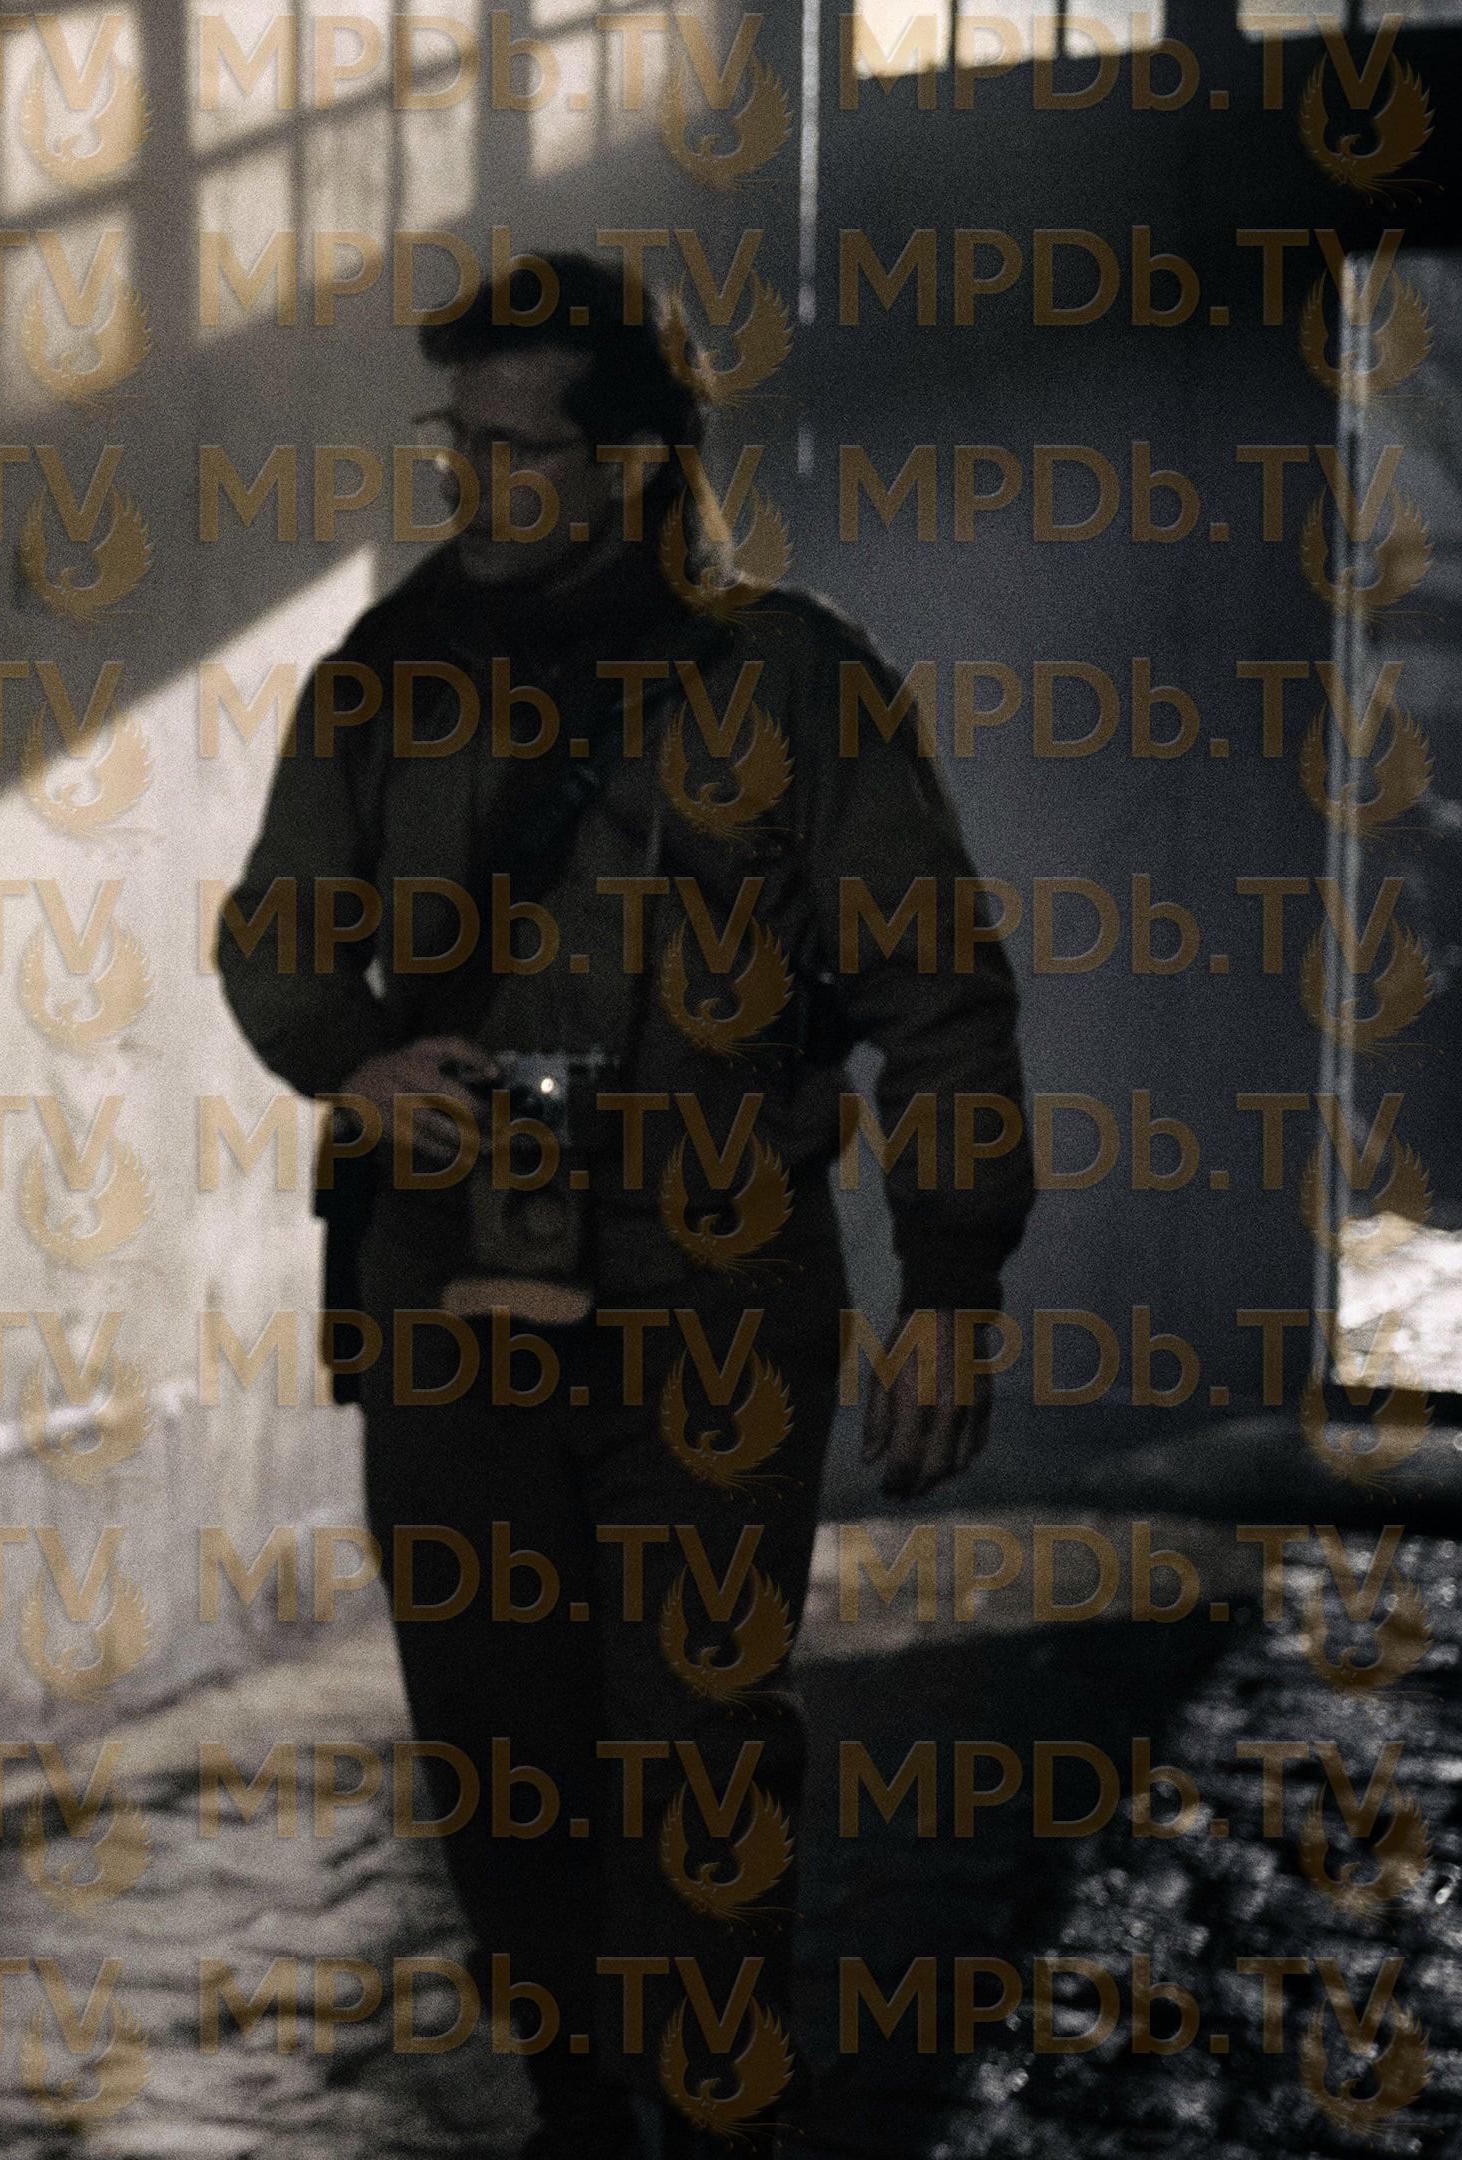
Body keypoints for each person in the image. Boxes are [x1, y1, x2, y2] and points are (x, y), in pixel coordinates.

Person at [214, 253, 1032, 2157]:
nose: (469, 479)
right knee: (497, 1753)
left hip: (713, 1306)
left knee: (702, 1746)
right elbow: (274, 935)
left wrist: (953, 1282)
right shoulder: (386, 676)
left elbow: (938, 992)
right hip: (450, 1301)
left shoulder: (794, 681)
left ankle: (719, 2108)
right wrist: (351, 1059)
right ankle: (578, 2102)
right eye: (457, 438)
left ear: (638, 464)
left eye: (516, 448)